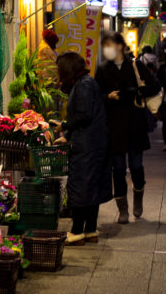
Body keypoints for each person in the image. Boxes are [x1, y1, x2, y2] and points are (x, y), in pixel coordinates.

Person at [95, 31, 161, 223]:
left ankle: (138, 195)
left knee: (136, 166)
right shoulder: (102, 69)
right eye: (105, 46)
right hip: (113, 126)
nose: (108, 49)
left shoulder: (136, 64)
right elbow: (96, 97)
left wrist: (136, 92)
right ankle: (122, 209)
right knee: (118, 169)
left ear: (121, 46)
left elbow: (155, 86)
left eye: (111, 45)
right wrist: (108, 97)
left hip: (135, 124)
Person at [53, 52, 112, 245]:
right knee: (90, 187)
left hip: (88, 147)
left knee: (80, 187)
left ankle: (77, 231)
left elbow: (84, 115)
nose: (57, 72)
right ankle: (90, 231)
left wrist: (64, 126)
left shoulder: (84, 85)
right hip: (92, 143)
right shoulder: (84, 83)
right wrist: (67, 137)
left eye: (59, 68)